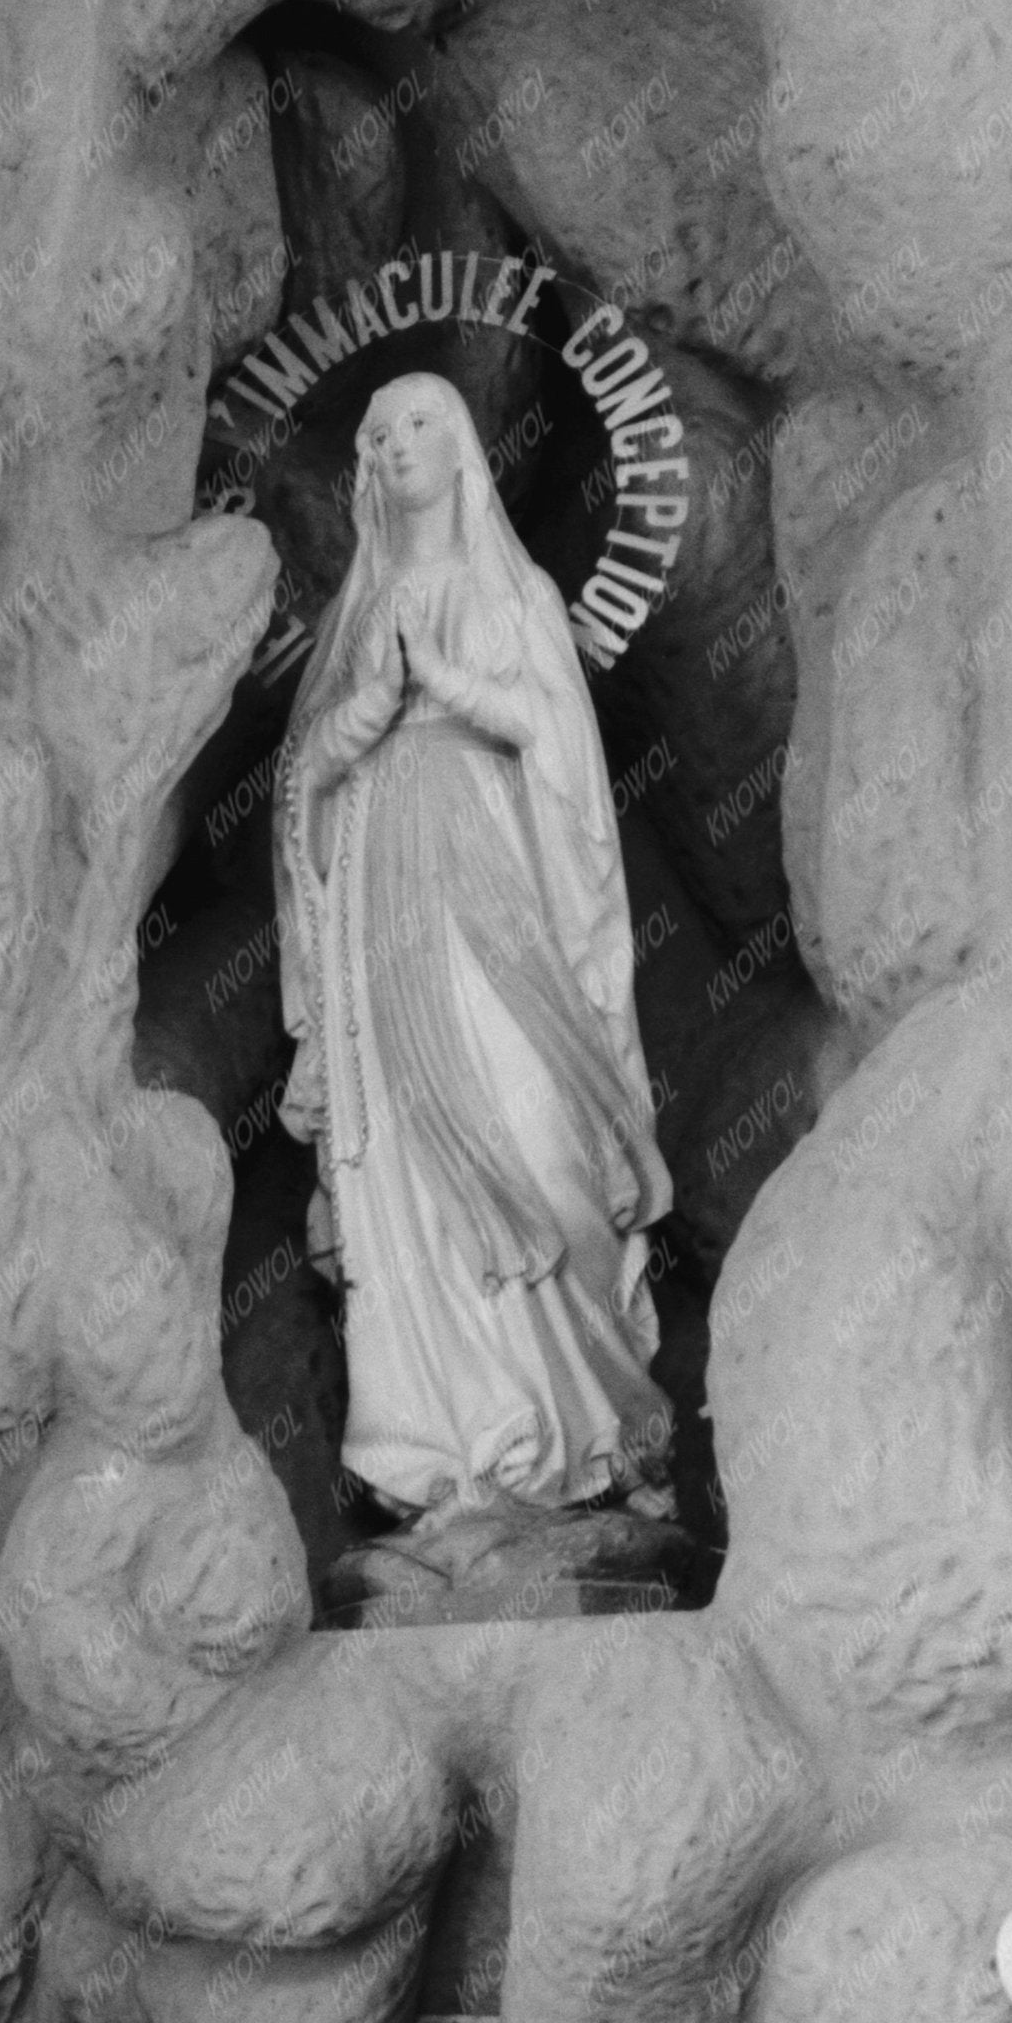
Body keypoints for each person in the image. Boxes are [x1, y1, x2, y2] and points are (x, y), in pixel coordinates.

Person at [270, 371, 673, 1520]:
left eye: (421, 424)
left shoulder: (518, 594)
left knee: (543, 1135)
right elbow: (302, 784)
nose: (399, 444)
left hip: (502, 889)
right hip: (384, 908)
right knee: (403, 1156)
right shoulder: (355, 614)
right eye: (379, 431)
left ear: (462, 452)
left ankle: (588, 1425)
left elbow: (562, 757)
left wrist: (446, 684)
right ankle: (441, 1441)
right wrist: (359, 721)